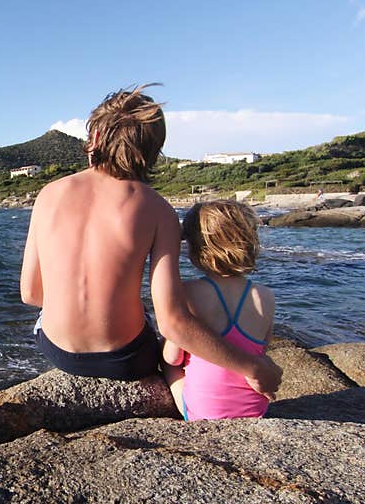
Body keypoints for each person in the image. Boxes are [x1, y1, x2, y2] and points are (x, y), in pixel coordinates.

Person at [19, 84, 281, 395]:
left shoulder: (49, 194)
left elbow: (31, 294)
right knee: (169, 348)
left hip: (56, 350)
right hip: (124, 360)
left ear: (96, 139)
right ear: (153, 150)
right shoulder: (159, 210)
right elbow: (172, 322)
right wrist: (252, 366)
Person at [161, 200, 276, 420]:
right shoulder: (265, 295)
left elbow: (173, 358)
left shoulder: (189, 292)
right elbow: (263, 347)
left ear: (196, 248)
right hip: (255, 410)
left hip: (205, 412)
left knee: (169, 366)